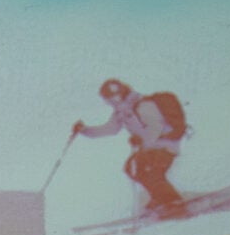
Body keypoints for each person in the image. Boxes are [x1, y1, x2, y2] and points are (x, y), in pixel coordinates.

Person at [74, 78, 190, 219]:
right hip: (149, 149)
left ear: (121, 94)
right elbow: (109, 129)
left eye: (112, 98)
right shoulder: (121, 112)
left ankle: (172, 202)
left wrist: (141, 140)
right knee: (132, 168)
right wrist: (84, 130)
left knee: (150, 171)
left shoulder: (143, 105)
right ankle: (160, 198)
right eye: (108, 100)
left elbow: (156, 127)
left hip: (165, 146)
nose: (111, 102)